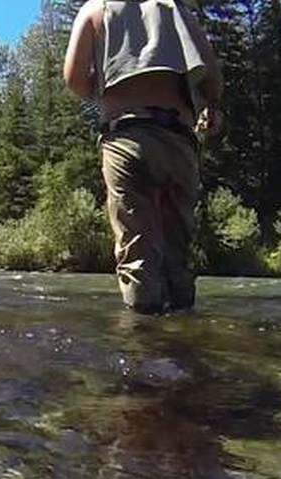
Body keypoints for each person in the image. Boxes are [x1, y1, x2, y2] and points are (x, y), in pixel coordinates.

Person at [64, 0, 224, 314]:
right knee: (177, 252)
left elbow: (73, 77)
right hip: (178, 141)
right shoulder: (177, 9)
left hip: (126, 139)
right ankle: (185, 338)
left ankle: (143, 346)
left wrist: (103, 91)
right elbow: (212, 76)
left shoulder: (95, 9)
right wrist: (212, 106)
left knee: (137, 254)